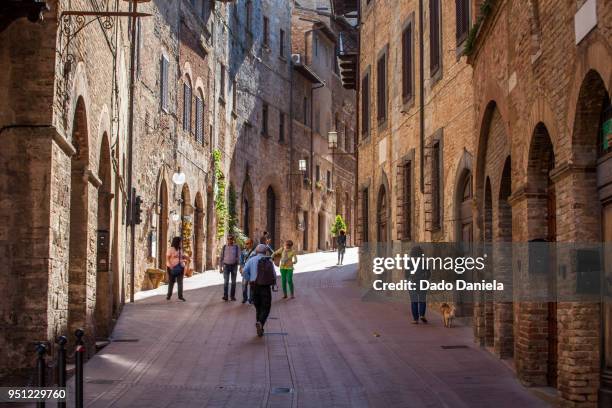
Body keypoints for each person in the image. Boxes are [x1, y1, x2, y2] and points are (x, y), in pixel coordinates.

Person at [243, 244, 276, 337]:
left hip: (254, 286)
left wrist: (249, 279)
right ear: (265, 252)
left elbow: (244, 272)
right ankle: (260, 323)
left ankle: (260, 326)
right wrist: (274, 284)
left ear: (256, 251)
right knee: (266, 306)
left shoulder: (251, 260)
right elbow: (273, 274)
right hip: (265, 286)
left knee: (258, 307)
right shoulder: (268, 260)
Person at [407, 246, 431, 324]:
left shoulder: (409, 262)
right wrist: (425, 278)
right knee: (422, 299)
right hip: (422, 283)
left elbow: (406, 274)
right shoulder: (423, 261)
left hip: (412, 283)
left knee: (414, 301)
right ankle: (422, 315)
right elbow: (428, 273)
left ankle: (415, 319)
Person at [166, 236, 190, 301]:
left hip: (180, 267)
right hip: (172, 268)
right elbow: (167, 257)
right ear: (177, 242)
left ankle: (180, 296)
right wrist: (170, 265)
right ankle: (169, 295)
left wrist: (186, 257)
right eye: (180, 242)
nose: (181, 243)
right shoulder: (171, 249)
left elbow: (181, 256)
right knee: (171, 282)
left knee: (180, 282)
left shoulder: (180, 249)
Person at [219, 235, 241, 301]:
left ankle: (232, 296)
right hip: (226, 266)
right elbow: (221, 258)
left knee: (233, 282)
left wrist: (240, 265)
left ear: (233, 240)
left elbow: (239, 257)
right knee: (226, 282)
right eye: (228, 239)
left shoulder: (236, 247)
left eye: (231, 239)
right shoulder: (224, 247)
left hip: (234, 266)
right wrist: (220, 267)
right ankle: (225, 296)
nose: (229, 240)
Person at [240, 238, 255, 304]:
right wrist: (241, 268)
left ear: (251, 244)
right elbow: (241, 261)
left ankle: (251, 299)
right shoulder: (243, 252)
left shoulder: (255, 252)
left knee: (252, 285)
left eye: (247, 243)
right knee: (244, 284)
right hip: (245, 270)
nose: (246, 245)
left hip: (252, 270)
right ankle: (245, 298)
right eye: (245, 243)